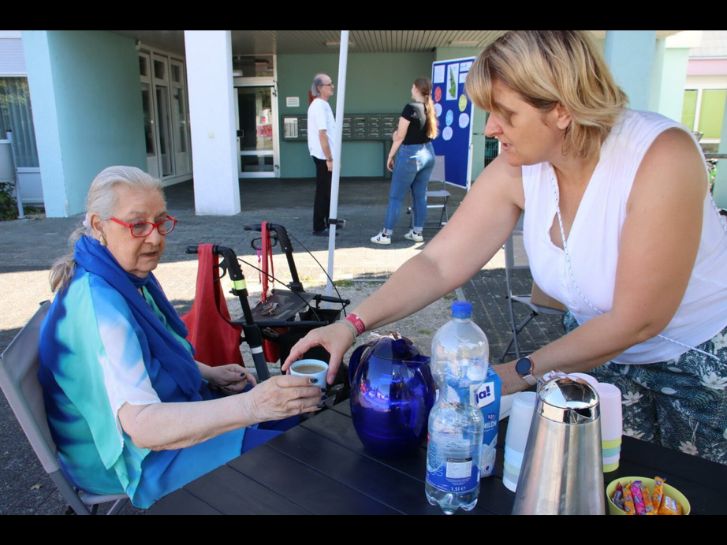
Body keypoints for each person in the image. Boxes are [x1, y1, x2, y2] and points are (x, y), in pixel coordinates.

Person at [284, 31, 727, 464]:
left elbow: (639, 319)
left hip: (702, 366)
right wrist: (353, 323)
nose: (491, 128)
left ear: (562, 109)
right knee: (611, 483)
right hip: (598, 356)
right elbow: (439, 264)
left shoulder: (659, 158)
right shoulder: (522, 166)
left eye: (506, 114)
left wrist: (517, 373)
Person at [38, 166, 323, 509]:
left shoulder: (121, 275)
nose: (156, 238)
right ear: (99, 226)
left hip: (155, 422)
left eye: (160, 222)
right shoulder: (101, 309)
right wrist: (252, 405)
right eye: (138, 224)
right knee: (298, 463)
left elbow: (149, 354)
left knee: (293, 421)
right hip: (128, 460)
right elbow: (142, 428)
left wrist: (206, 372)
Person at [370, 77, 438, 245]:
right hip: (428, 153)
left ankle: (386, 235)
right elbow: (414, 133)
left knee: (395, 197)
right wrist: (398, 136)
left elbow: (400, 136)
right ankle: (417, 232)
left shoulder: (410, 108)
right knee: (420, 196)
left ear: (415, 88)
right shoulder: (428, 107)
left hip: (410, 155)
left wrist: (390, 156)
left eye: (412, 87)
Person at [307, 73, 336, 236]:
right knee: (323, 191)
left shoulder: (323, 104)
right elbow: (322, 134)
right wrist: (329, 158)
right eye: (329, 84)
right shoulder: (318, 106)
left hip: (326, 155)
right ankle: (319, 226)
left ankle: (328, 221)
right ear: (319, 88)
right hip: (323, 156)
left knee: (329, 190)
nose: (332, 87)